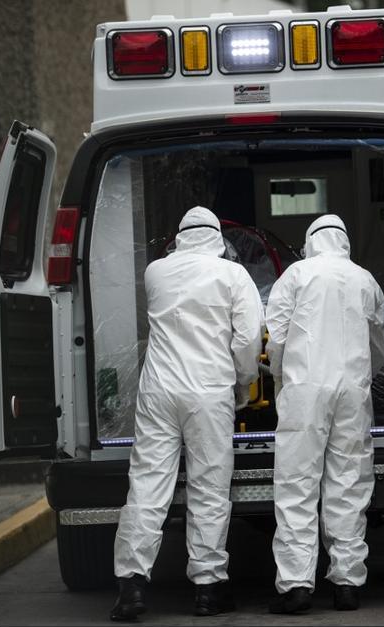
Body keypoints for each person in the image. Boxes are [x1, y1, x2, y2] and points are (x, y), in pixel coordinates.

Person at [110, 206, 263, 620]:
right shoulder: (233, 275)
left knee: (147, 484)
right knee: (208, 488)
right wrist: (244, 383)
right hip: (209, 392)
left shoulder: (155, 272)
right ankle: (209, 589)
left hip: (158, 390)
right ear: (217, 238)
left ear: (179, 237)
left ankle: (131, 586)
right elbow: (248, 338)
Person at [265, 214, 384, 614]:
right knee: (349, 482)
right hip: (352, 391)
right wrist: (361, 375)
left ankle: (297, 586)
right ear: (344, 242)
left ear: (310, 242)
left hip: (304, 390)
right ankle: (347, 583)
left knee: (297, 484)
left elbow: (276, 338)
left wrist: (281, 377)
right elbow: (378, 343)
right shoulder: (365, 279)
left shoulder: (296, 275)